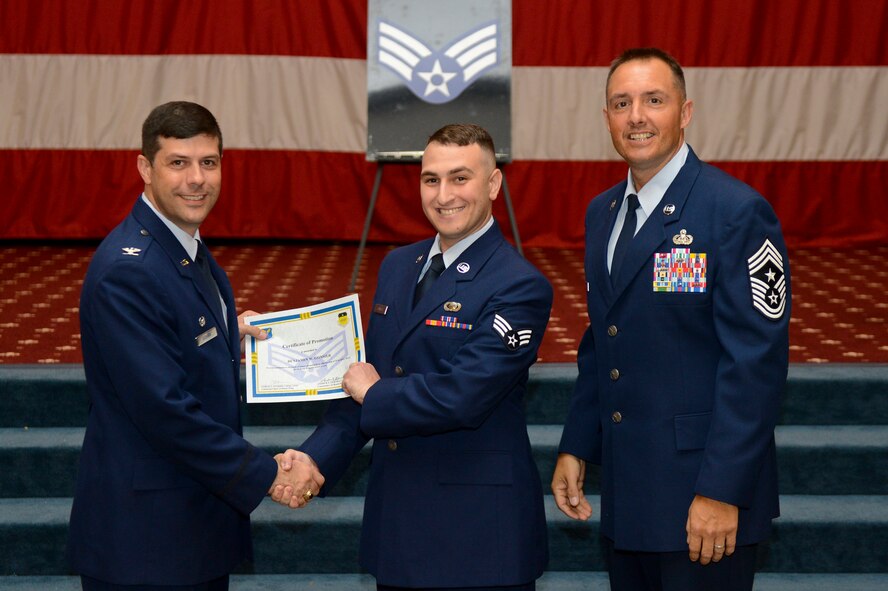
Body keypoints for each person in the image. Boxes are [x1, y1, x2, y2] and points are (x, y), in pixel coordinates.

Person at [551, 48, 791, 591]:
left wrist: (723, 490)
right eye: (621, 103)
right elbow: (603, 339)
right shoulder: (603, 213)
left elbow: (755, 366)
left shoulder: (735, 212)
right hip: (629, 494)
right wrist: (576, 443)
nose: (636, 116)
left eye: (654, 100)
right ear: (607, 117)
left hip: (702, 500)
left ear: (685, 112)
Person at [277, 123, 552, 590]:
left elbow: (461, 396)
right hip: (399, 524)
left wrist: (375, 391)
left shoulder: (519, 285)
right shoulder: (399, 266)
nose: (443, 195)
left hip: (478, 535)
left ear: (493, 184)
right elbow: (363, 383)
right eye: (431, 179)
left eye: (460, 178)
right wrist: (313, 459)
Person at [67, 101, 324, 591]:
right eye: (178, 163)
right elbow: (165, 409)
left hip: (186, 524)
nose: (196, 179)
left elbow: (175, 340)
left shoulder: (182, 247)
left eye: (208, 162)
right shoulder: (131, 270)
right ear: (145, 168)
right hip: (146, 540)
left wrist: (229, 329)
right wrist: (266, 473)